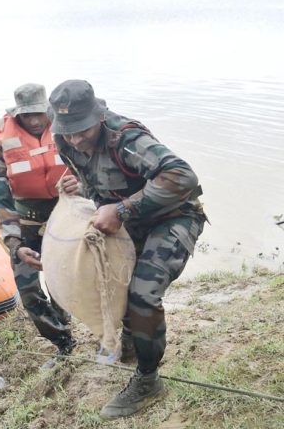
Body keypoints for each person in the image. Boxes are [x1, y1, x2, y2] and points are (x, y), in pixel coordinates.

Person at [49, 79, 206, 419]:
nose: (76, 138)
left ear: (99, 117)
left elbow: (183, 177)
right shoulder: (64, 140)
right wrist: (77, 184)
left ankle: (148, 381)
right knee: (112, 282)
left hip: (173, 216)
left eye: (82, 130)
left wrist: (121, 211)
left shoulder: (127, 139)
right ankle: (135, 343)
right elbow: (96, 181)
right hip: (127, 224)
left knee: (143, 295)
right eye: (68, 131)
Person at [0, 83, 75, 359]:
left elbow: (94, 170)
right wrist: (13, 242)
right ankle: (62, 341)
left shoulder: (69, 129)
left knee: (64, 279)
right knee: (28, 289)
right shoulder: (4, 141)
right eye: (28, 116)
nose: (35, 121)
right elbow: (0, 194)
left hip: (65, 216)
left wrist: (82, 187)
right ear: (17, 116)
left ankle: (69, 318)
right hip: (25, 222)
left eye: (39, 113)